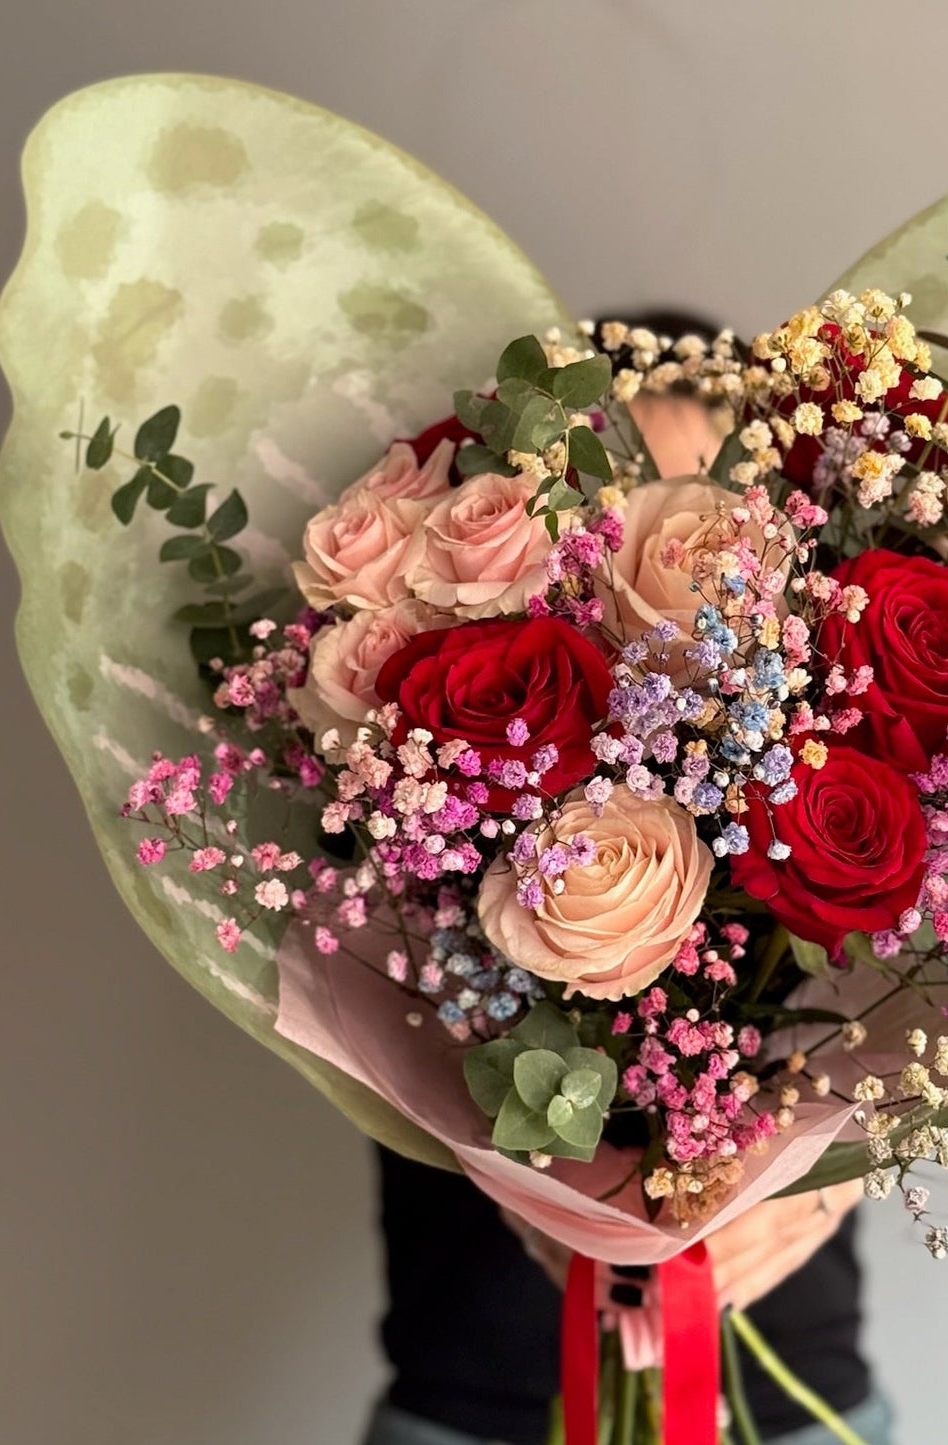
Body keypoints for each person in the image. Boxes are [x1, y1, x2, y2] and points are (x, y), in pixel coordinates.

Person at [361, 312, 894, 1445]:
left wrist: (819, 1175)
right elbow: (349, 990)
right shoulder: (428, 757)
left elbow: (918, 1013)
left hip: (790, 1380)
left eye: (706, 518)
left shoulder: (830, 766)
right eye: (632, 522)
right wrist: (538, 1169)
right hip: (471, 1389)